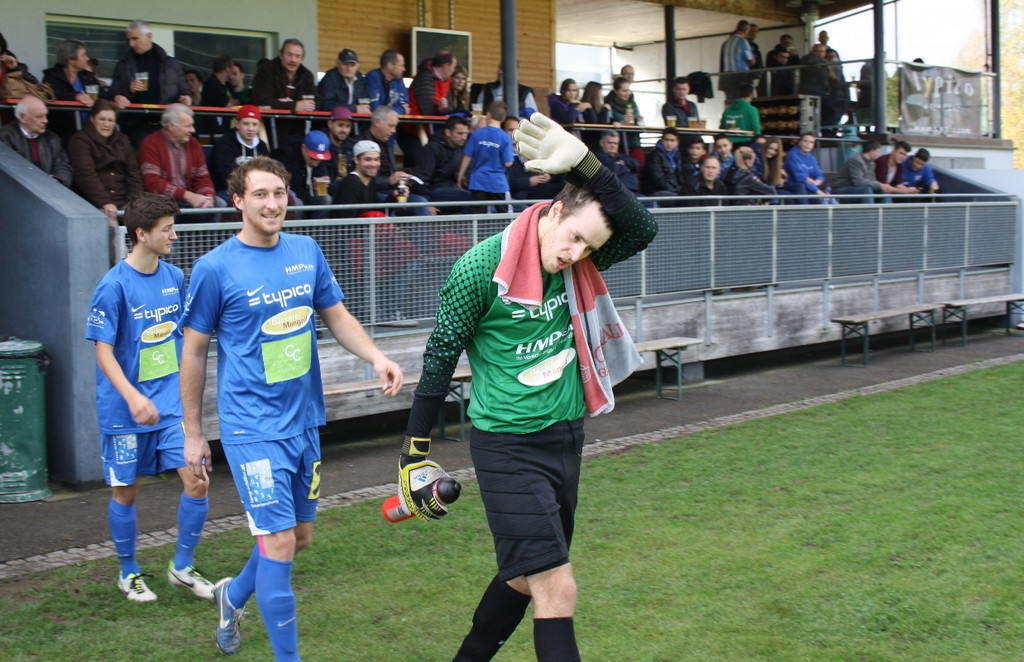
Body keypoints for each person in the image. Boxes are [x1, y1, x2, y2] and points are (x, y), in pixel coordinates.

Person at [396, 112, 657, 662]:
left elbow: (642, 229)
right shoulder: (478, 269)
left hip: (565, 438)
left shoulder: (578, 259)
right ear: (554, 211)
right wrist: (414, 452)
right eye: (575, 238)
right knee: (557, 587)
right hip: (506, 446)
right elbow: (440, 356)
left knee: (522, 577)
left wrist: (586, 164)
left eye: (589, 249)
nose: (577, 255)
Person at [179, 156, 403, 661]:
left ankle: (232, 596)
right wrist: (193, 433)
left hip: (303, 422)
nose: (272, 203)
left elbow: (336, 315)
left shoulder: (306, 251)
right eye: (260, 194)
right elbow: (192, 352)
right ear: (238, 201)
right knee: (278, 542)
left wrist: (376, 356)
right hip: (252, 429)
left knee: (298, 537)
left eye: (279, 193)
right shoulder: (214, 268)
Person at [85, 192, 215, 604]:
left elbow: (185, 336)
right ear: (141, 234)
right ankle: (129, 573)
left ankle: (181, 567)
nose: (174, 236)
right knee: (126, 492)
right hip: (125, 412)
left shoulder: (175, 277)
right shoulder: (113, 286)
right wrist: (132, 397)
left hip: (171, 407)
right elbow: (103, 352)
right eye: (167, 229)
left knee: (198, 480)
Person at [110, 20, 192, 147]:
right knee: (148, 153)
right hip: (137, 123)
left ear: (149, 36)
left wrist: (185, 97)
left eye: (135, 38)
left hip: (168, 123)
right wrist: (129, 90)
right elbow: (112, 93)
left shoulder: (172, 64)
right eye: (129, 40)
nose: (131, 44)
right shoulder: (123, 65)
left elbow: (184, 90)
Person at [67, 100, 143, 226]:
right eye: (102, 119)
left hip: (124, 201)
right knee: (111, 225)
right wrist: (105, 202)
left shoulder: (122, 140)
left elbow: (134, 173)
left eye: (110, 120)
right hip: (94, 204)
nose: (106, 124)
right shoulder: (79, 141)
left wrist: (134, 202)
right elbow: (85, 175)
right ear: (92, 119)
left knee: (150, 222)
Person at [138, 104, 222, 214]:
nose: (193, 130)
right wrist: (187, 196)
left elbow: (202, 178)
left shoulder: (194, 144)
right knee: (163, 211)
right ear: (171, 126)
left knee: (219, 204)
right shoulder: (151, 144)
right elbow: (153, 184)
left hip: (189, 200)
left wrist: (208, 196)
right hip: (161, 201)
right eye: (188, 126)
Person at [42, 39, 107, 144]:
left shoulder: (87, 77)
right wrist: (76, 96)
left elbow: (104, 95)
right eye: (83, 55)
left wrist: (119, 95)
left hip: (91, 133)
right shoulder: (52, 77)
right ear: (71, 60)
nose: (87, 58)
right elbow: (53, 94)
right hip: (62, 134)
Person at [0, 95, 73, 187]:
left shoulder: (52, 139)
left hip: (50, 189)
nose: (45, 121)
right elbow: (9, 170)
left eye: (45, 116)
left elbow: (64, 167)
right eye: (39, 116)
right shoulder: (5, 137)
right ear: (22, 117)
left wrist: (57, 179)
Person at [251, 39, 318, 139]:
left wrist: (305, 106)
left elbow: (317, 101)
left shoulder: (306, 75)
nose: (293, 60)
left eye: (297, 56)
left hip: (297, 130)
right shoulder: (266, 70)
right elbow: (261, 101)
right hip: (269, 129)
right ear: (280, 55)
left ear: (302, 59)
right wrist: (294, 105)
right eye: (289, 55)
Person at [208, 105, 271, 201]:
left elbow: (268, 170)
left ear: (259, 126)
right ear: (237, 124)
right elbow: (227, 175)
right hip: (227, 190)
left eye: (254, 124)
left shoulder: (262, 146)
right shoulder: (224, 144)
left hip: (257, 189)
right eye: (246, 124)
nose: (250, 128)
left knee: (289, 195)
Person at [458, 100, 514, 206]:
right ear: (503, 118)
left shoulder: (476, 134)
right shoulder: (505, 137)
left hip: (478, 181)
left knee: (478, 213)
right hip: (498, 183)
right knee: (502, 214)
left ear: (488, 115)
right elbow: (508, 163)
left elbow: (467, 156)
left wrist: (460, 175)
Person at [504, 116, 565, 203]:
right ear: (503, 132)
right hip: (523, 193)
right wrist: (528, 181)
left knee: (565, 171)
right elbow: (506, 181)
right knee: (562, 190)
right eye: (510, 130)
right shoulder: (504, 152)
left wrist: (547, 175)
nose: (514, 133)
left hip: (537, 185)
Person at [415, 115, 473, 207]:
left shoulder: (463, 148)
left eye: (466, 134)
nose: (464, 137)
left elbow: (468, 173)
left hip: (455, 189)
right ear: (448, 132)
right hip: (435, 191)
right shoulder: (432, 148)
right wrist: (427, 204)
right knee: (471, 197)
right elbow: (422, 179)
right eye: (460, 133)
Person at [270, 129, 334, 209]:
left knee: (325, 199)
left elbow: (324, 181)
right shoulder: (286, 157)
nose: (315, 163)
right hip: (287, 193)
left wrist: (326, 185)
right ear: (303, 147)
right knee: (295, 201)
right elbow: (295, 189)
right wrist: (311, 187)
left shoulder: (318, 158)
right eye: (312, 158)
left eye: (320, 159)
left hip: (305, 192)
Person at [470, 61, 538, 119]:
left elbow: (534, 119)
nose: (500, 71)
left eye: (503, 69)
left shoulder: (525, 93)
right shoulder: (488, 90)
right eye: (499, 68)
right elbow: (477, 113)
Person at [606, 76, 645, 167]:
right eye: (624, 91)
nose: (627, 93)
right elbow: (607, 122)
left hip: (634, 143)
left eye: (628, 90)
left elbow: (639, 122)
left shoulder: (634, 104)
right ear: (616, 91)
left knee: (640, 166)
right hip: (618, 145)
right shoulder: (609, 105)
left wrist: (640, 121)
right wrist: (622, 122)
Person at [318, 48, 370, 113]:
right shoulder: (330, 78)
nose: (349, 68)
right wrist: (354, 108)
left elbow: (366, 103)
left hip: (357, 118)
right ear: (337, 64)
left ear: (357, 66)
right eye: (345, 64)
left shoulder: (360, 79)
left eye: (352, 65)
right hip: (334, 118)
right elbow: (326, 105)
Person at [782, 133, 828, 204]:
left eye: (811, 142)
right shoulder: (792, 155)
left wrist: (816, 182)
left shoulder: (812, 158)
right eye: (805, 141)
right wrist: (817, 191)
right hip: (793, 186)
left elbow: (819, 175)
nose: (808, 144)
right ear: (799, 143)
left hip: (808, 187)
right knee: (821, 199)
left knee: (827, 198)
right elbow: (800, 178)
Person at [409, 51, 457, 117]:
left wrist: (443, 109)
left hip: (435, 120)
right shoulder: (425, 77)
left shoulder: (446, 80)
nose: (453, 70)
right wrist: (440, 109)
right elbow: (427, 109)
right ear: (446, 66)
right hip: (417, 120)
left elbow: (451, 108)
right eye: (453, 67)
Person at [641, 127, 684, 200]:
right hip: (656, 191)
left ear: (677, 142)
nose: (669, 143)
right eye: (666, 140)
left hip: (673, 191)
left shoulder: (678, 155)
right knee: (681, 200)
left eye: (672, 140)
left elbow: (681, 178)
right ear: (662, 140)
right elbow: (658, 180)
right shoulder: (654, 156)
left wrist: (684, 189)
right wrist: (677, 191)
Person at [719, 20, 755, 102]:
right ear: (747, 30)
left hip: (727, 77)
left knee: (730, 101)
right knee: (742, 100)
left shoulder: (726, 42)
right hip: (740, 76)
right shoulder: (743, 41)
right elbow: (751, 60)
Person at [325, 106, 357, 193]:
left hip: (349, 191)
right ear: (330, 124)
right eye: (340, 125)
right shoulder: (321, 144)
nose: (344, 130)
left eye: (348, 126)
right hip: (329, 191)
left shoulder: (353, 146)